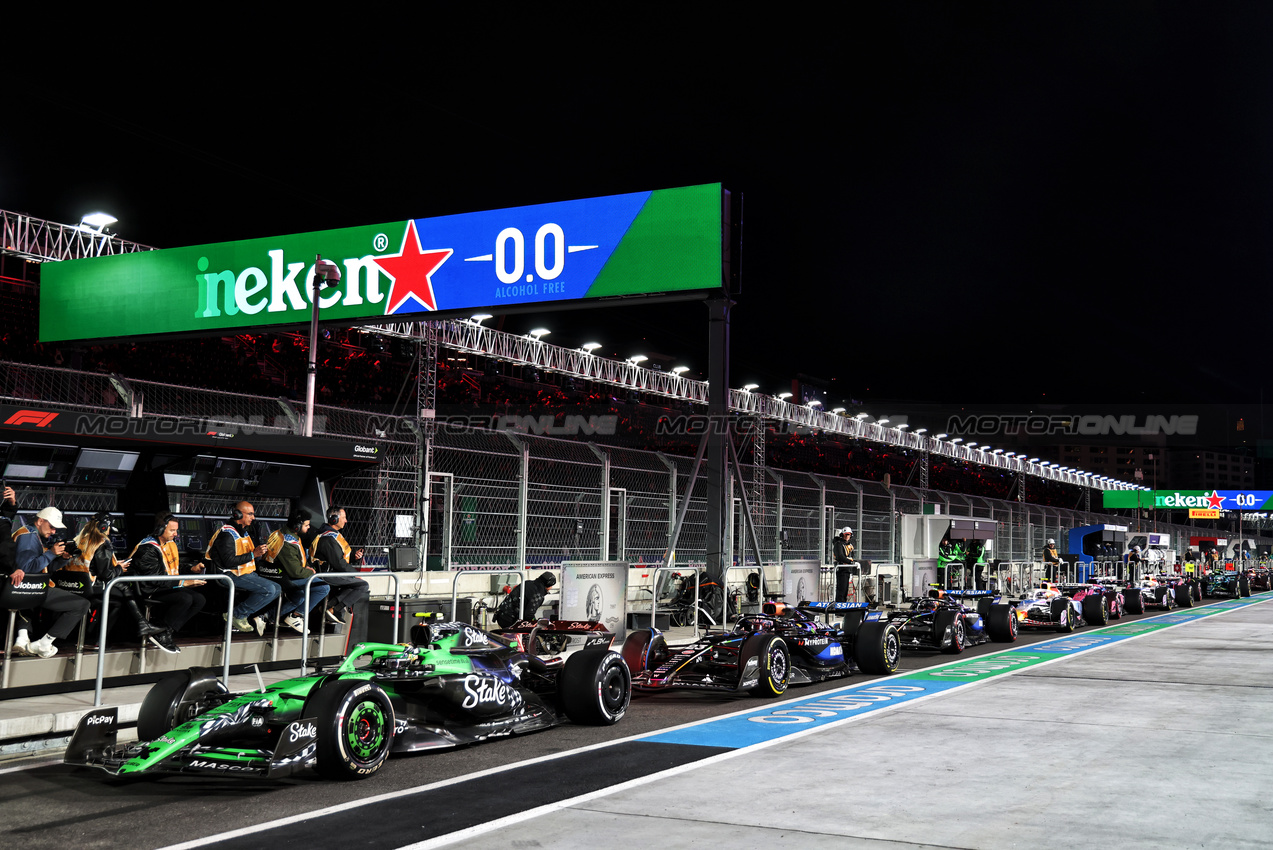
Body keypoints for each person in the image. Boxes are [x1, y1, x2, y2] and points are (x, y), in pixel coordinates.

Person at [74, 511, 172, 652]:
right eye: (108, 528)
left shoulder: (80, 539)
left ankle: (141, 624)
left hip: (75, 585)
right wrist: (119, 569)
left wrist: (115, 564)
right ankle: (103, 639)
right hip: (91, 587)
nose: (108, 531)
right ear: (103, 527)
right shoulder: (101, 541)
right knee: (119, 597)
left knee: (120, 590)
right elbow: (106, 575)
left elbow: (92, 564)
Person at [5, 496, 90, 658]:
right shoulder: (28, 537)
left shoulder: (32, 535)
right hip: (28, 589)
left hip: (26, 590)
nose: (53, 532)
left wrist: (62, 558)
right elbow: (26, 569)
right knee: (82, 604)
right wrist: (51, 553)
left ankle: (22, 638)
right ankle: (44, 643)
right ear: (40, 521)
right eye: (51, 527)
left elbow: (44, 568)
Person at [127, 514, 208, 652]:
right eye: (172, 530)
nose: (176, 534)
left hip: (166, 585)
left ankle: (164, 632)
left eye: (176, 530)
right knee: (185, 598)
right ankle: (162, 633)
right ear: (160, 530)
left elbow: (172, 568)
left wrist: (191, 568)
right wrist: (183, 583)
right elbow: (155, 579)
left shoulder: (170, 544)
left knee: (199, 600)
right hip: (151, 589)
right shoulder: (147, 549)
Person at [205, 501, 280, 634]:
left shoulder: (243, 533)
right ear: (238, 514)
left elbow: (247, 556)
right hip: (229, 574)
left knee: (277, 588)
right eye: (250, 514)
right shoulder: (227, 535)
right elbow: (228, 562)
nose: (253, 518)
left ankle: (255, 616)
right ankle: (237, 615)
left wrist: (260, 554)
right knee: (269, 590)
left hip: (243, 572)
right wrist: (253, 554)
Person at [260, 509, 330, 633]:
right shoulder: (288, 541)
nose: (309, 528)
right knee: (323, 587)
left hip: (277, 574)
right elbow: (295, 572)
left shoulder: (283, 534)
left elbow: (298, 562)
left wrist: (307, 567)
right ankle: (296, 616)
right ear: (297, 526)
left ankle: (266, 617)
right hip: (280, 576)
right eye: (306, 525)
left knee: (301, 595)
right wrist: (311, 572)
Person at [309, 506, 371, 644]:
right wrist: (354, 575)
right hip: (328, 574)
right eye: (343, 518)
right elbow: (338, 563)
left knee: (355, 584)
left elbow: (339, 558)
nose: (346, 521)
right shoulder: (328, 538)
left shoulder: (331, 535)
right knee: (362, 585)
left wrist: (354, 557)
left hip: (333, 572)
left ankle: (331, 608)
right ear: (334, 519)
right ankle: (331, 608)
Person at [833, 526, 857, 603]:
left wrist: (852, 562)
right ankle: (839, 609)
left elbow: (852, 555)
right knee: (841, 589)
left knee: (845, 590)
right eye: (845, 534)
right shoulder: (838, 544)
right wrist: (850, 562)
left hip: (847, 569)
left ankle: (843, 607)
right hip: (841, 569)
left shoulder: (849, 545)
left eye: (848, 535)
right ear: (842, 535)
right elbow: (840, 556)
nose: (847, 536)